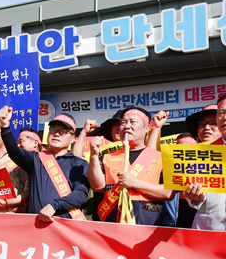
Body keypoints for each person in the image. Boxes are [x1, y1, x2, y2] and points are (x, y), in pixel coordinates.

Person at [0, 107, 89, 221]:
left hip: (63, 229)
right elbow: (14, 151)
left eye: (63, 131)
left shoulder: (79, 163)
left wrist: (54, 205)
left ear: (72, 139)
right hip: (34, 227)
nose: (57, 134)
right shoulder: (35, 158)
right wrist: (5, 126)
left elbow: (81, 194)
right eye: (53, 129)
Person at [88, 107, 174, 225]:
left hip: (149, 222)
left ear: (146, 128)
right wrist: (93, 154)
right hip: (112, 223)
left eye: (133, 122)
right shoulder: (107, 157)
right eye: (123, 123)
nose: (126, 126)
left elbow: (168, 193)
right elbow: (97, 186)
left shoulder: (161, 158)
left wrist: (135, 183)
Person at [183, 95, 226, 230]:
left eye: (211, 122)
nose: (224, 117)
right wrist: (194, 197)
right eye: (221, 113)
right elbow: (190, 191)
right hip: (209, 229)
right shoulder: (197, 153)